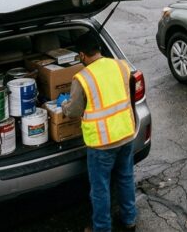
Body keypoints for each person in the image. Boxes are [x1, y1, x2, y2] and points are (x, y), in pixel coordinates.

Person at [59, 34, 138, 232]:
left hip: (102, 143)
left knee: (100, 188)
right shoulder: (121, 65)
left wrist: (63, 104)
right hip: (126, 133)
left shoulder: (83, 78)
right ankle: (130, 219)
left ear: (82, 55)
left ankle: (102, 228)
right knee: (125, 177)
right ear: (99, 49)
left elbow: (74, 110)